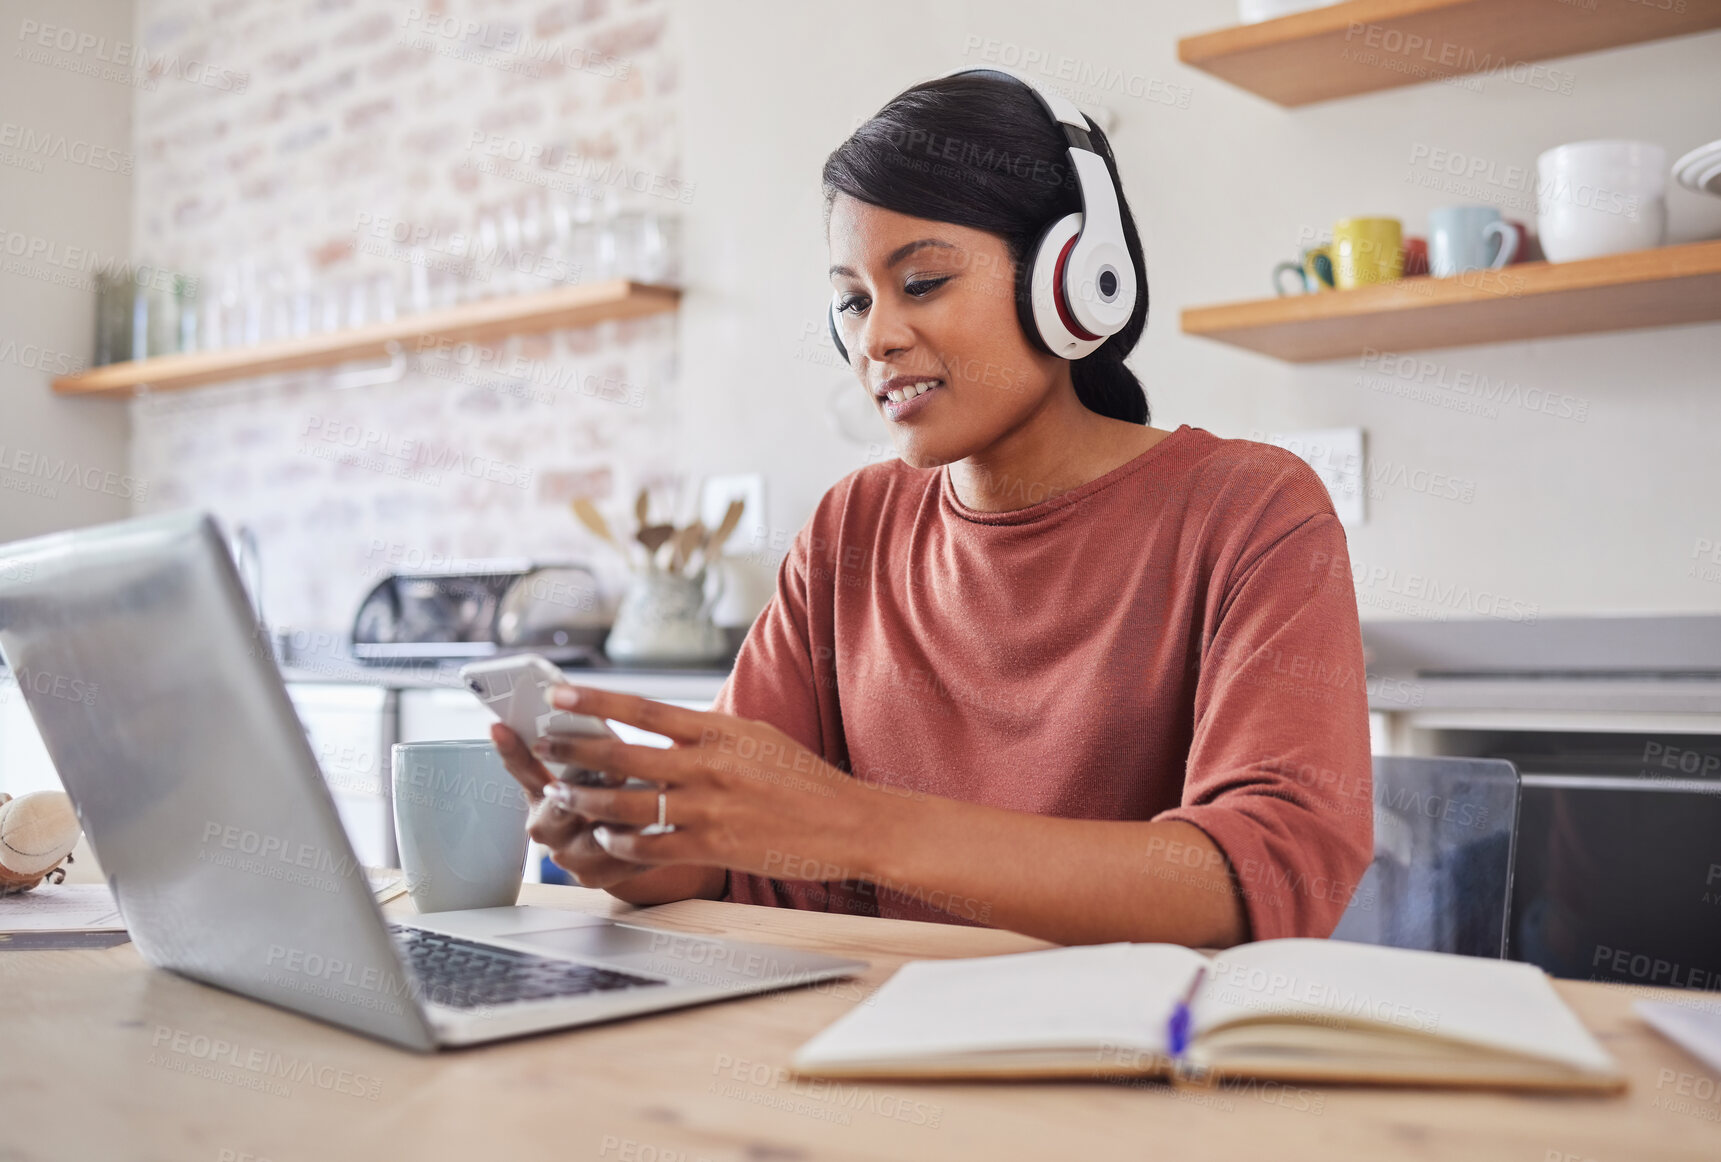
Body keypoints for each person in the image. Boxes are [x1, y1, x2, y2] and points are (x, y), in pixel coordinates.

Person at [493, 71, 1373, 949]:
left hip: (1116, 1062)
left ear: (1073, 278)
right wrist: (636, 849)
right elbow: (739, 851)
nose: (874, 337)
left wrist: (857, 826)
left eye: (920, 284)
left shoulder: (1250, 510)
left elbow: (1267, 877)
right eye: (851, 300)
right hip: (845, 1040)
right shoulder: (853, 527)